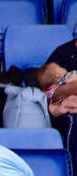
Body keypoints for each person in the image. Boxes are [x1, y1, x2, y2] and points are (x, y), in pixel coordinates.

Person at [42, 38, 77, 168]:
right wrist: (70, 88)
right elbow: (49, 90)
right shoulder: (63, 52)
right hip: (67, 110)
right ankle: (73, 174)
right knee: (73, 123)